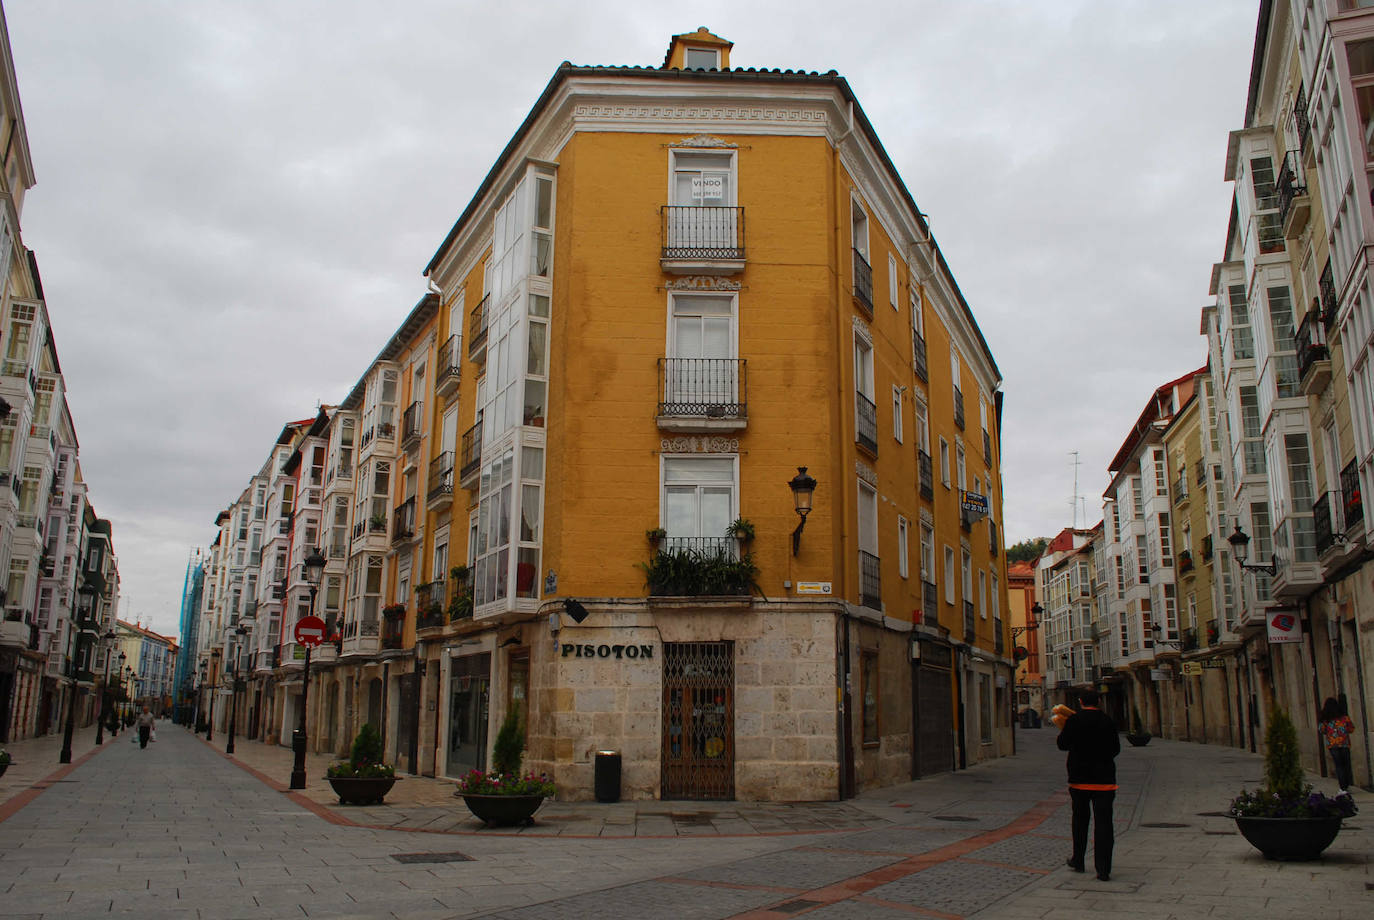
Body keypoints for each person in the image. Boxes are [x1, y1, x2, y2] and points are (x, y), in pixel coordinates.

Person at [1057, 688, 1120, 882]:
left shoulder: (1073, 721)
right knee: (1104, 824)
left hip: (1079, 780)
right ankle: (1103, 869)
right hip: (1104, 781)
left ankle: (1079, 859)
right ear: (1099, 701)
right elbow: (1116, 749)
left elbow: (1062, 744)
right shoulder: (1107, 721)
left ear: (1080, 701)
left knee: (1080, 821)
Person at [1318, 697, 1355, 793]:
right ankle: (1346, 784)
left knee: (1339, 765)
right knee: (1346, 764)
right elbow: (1351, 728)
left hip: (1333, 744)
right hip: (1344, 744)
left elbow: (1322, 730)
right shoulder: (1344, 718)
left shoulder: (1326, 719)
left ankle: (1342, 787)